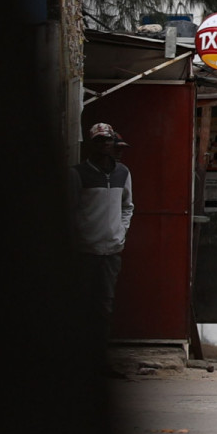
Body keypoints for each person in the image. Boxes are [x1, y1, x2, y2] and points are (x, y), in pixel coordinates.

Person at [71, 122, 134, 325]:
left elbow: (127, 206)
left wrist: (121, 231)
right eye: (98, 140)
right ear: (91, 144)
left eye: (107, 140)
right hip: (86, 252)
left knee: (105, 304)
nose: (103, 145)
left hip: (111, 252)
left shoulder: (122, 173)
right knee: (82, 302)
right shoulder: (78, 173)